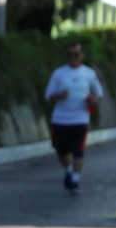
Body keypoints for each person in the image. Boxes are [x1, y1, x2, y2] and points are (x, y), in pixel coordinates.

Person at [44, 42, 104, 195]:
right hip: (60, 120)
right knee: (61, 152)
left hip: (80, 119)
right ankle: (69, 170)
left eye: (76, 55)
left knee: (78, 151)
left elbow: (99, 93)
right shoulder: (59, 73)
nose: (73, 58)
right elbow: (48, 95)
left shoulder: (89, 73)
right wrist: (59, 95)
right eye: (70, 55)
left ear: (82, 55)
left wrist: (94, 99)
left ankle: (75, 180)